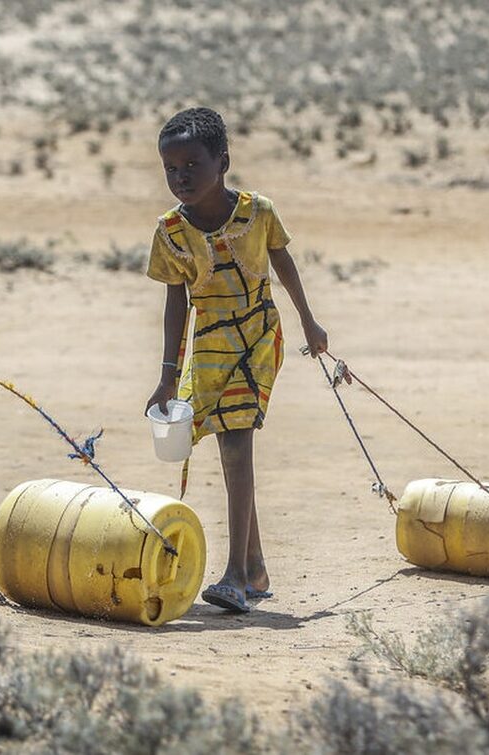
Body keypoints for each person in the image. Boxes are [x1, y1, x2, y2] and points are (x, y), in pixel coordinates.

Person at [144, 107, 331, 614]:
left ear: (222, 161)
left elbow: (282, 262)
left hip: (256, 332)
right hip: (207, 342)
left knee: (235, 442)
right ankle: (254, 567)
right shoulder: (169, 231)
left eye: (191, 166)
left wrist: (309, 323)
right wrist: (166, 377)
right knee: (223, 446)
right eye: (170, 169)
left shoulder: (258, 212)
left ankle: (234, 578)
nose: (180, 178)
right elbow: (175, 303)